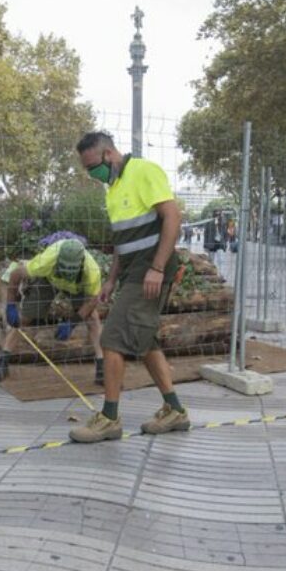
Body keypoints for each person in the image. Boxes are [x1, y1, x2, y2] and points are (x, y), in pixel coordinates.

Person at [70, 131, 188, 443]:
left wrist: (157, 268)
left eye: (93, 166)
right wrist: (110, 279)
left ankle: (109, 418)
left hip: (152, 268)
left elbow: (172, 216)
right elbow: (123, 241)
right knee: (145, 340)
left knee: (112, 339)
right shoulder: (113, 190)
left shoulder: (143, 171)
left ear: (109, 154)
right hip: (133, 271)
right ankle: (175, 410)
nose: (91, 174)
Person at [0, 238, 105, 386]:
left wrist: (72, 322)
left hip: (77, 287)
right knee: (24, 318)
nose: (67, 273)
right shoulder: (46, 261)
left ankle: (102, 367)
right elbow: (16, 274)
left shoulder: (92, 270)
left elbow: (93, 300)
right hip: (49, 280)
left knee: (92, 318)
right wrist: (11, 305)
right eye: (64, 269)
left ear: (80, 265)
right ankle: (2, 362)